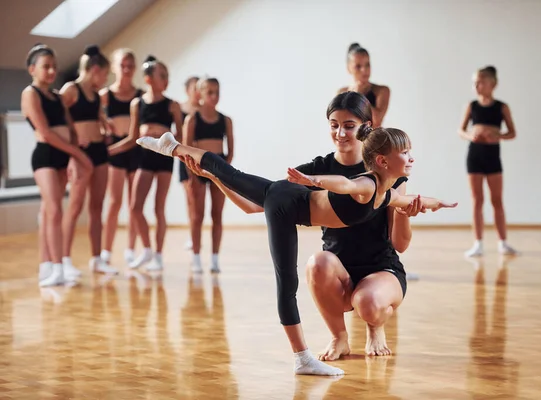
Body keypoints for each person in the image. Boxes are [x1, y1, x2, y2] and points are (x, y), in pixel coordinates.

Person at [137, 94, 457, 376]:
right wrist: (315, 180)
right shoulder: (365, 184)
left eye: (349, 125)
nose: (340, 132)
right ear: (386, 160)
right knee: (285, 280)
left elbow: (410, 207)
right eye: (334, 124)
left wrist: (437, 204)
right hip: (286, 204)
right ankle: (303, 357)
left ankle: (174, 146)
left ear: (366, 128)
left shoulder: (386, 190)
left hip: (313, 218)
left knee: (230, 174)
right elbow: (341, 186)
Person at [21, 43, 93, 286]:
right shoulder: (30, 94)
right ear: (32, 69)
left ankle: (46, 266)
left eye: (54, 67)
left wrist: (74, 154)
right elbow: (46, 132)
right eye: (45, 67)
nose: (51, 71)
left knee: (48, 212)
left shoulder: (58, 97)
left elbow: (70, 129)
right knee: (54, 209)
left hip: (63, 155)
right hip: (45, 156)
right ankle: (58, 268)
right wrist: (79, 155)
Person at [109, 55, 183, 271]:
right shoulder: (137, 103)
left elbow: (181, 135)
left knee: (159, 207)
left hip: (164, 157)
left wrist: (167, 137)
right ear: (149, 78)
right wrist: (110, 150)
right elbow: (132, 137)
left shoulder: (172, 105)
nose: (165, 79)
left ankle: (159, 255)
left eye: (166, 76)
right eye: (162, 75)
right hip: (144, 156)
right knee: (135, 207)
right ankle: (147, 248)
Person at [60, 45, 118, 275]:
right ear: (95, 69)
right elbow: (57, 116)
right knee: (75, 206)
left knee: (97, 207)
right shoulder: (71, 90)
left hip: (99, 151)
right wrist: (72, 146)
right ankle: (63, 260)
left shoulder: (95, 95)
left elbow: (96, 117)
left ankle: (96, 259)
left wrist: (105, 124)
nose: (105, 79)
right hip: (80, 153)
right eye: (105, 74)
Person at [458, 65, 518, 257]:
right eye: (474, 82)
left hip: (493, 157)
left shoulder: (501, 107)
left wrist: (497, 135)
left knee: (497, 200)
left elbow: (512, 133)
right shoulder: (471, 106)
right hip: (474, 156)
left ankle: (503, 242)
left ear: (493, 84)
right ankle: (478, 243)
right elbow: (461, 130)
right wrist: (471, 136)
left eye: (480, 82)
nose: (476, 85)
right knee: (477, 200)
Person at [182, 77, 234, 273]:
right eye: (210, 92)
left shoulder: (225, 120)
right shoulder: (192, 119)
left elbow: (230, 151)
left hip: (219, 170)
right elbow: (186, 149)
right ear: (200, 93)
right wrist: (193, 175)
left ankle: (214, 258)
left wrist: (224, 173)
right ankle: (196, 257)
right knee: (197, 216)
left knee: (217, 215)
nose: (214, 96)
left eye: (217, 92)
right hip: (198, 169)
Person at [100, 48, 144, 265]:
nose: (126, 69)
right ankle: (106, 251)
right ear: (114, 67)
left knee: (134, 203)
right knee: (115, 202)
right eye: (122, 65)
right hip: (115, 152)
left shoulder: (140, 96)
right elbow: (97, 121)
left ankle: (130, 249)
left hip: (135, 151)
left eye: (130, 65)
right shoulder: (105, 96)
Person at [338, 43, 390, 128]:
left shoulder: (381, 91)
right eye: (358, 66)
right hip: (351, 141)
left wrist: (359, 96)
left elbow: (376, 122)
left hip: (374, 141)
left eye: (367, 64)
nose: (364, 70)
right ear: (348, 68)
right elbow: (340, 124)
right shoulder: (341, 93)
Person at [178, 76, 201, 254]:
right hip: (185, 158)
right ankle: (191, 234)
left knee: (199, 201)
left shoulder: (205, 111)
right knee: (190, 198)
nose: (198, 91)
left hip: (202, 158)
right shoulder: (181, 109)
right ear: (187, 90)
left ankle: (195, 236)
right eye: (195, 88)